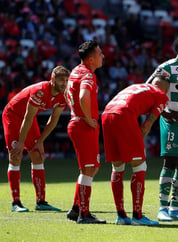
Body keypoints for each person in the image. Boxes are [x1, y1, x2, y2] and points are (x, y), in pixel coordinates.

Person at [2, 66, 70, 212]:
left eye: (66, 80)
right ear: (52, 80)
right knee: (16, 155)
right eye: (61, 80)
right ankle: (16, 203)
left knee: (38, 156)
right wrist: (20, 143)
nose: (64, 83)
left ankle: (41, 202)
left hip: (28, 118)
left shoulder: (63, 95)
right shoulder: (40, 91)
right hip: (13, 116)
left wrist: (40, 141)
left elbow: (53, 120)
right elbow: (27, 117)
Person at [146, 34, 178, 222]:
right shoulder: (166, 68)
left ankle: (175, 207)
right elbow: (149, 88)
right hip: (172, 124)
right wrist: (164, 113)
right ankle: (162, 207)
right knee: (170, 163)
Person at [102, 81, 169, 226]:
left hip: (107, 113)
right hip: (124, 114)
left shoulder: (139, 86)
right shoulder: (162, 95)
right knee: (140, 166)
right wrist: (137, 143)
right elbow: (147, 124)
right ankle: (137, 216)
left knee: (117, 167)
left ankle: (121, 216)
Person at [65, 40, 106, 224]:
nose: (102, 56)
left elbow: (68, 94)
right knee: (89, 169)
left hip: (77, 123)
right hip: (84, 125)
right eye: (99, 54)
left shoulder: (75, 71)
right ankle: (84, 213)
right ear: (90, 59)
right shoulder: (88, 75)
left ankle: (76, 209)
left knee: (91, 167)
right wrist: (89, 119)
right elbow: (83, 96)